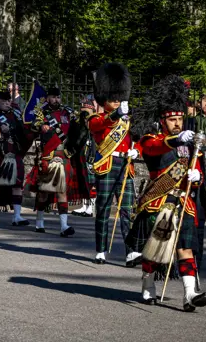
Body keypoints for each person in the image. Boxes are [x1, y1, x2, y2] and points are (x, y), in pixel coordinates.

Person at [126, 75, 206, 311]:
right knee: (155, 249)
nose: (177, 123)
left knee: (185, 248)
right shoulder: (153, 139)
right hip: (158, 200)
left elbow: (197, 172)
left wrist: (197, 178)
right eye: (172, 119)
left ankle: (190, 294)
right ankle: (148, 286)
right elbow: (153, 149)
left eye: (180, 119)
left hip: (183, 201)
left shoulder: (193, 145)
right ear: (163, 121)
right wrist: (174, 140)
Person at [88, 63, 140, 266]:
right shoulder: (97, 118)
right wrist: (116, 115)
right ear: (104, 99)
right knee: (104, 209)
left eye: (119, 98)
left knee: (127, 209)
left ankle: (131, 251)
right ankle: (101, 249)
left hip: (126, 163)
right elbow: (101, 125)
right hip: (107, 164)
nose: (117, 102)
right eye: (113, 99)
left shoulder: (128, 119)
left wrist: (138, 151)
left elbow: (140, 138)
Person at [26, 86, 89, 236]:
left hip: (64, 155)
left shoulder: (67, 111)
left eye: (58, 97)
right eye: (53, 97)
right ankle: (39, 222)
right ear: (48, 98)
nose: (56, 100)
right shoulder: (41, 112)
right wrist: (42, 126)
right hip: (48, 156)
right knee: (44, 192)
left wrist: (84, 115)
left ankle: (64, 226)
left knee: (62, 191)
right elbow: (33, 125)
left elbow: (79, 125)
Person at [0, 89, 29, 226]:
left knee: (17, 185)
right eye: (4, 101)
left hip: (14, 152)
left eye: (8, 101)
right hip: (0, 152)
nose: (6, 103)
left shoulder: (16, 113)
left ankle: (17, 216)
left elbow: (24, 132)